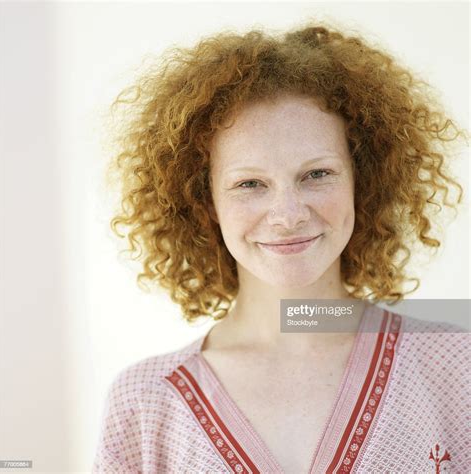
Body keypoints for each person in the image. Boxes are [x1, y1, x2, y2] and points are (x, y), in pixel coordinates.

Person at [93, 21, 469, 473]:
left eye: (317, 174)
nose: (288, 215)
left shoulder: (455, 366)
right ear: (204, 201)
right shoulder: (145, 402)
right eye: (250, 183)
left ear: (362, 181)